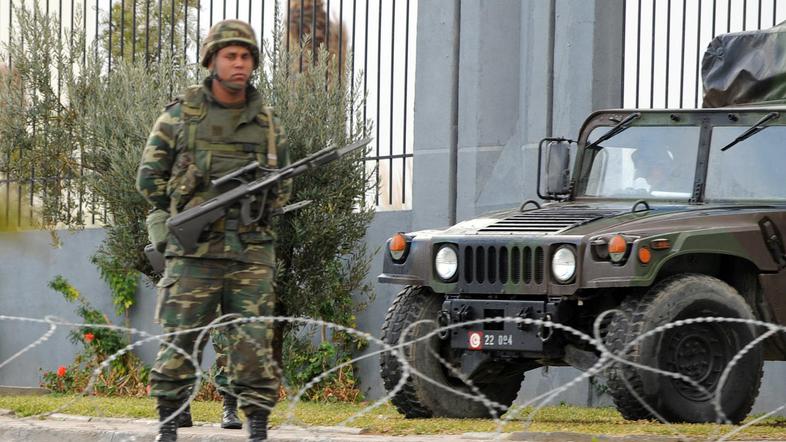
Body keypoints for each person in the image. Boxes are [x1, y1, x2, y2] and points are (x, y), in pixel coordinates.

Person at [136, 19, 291, 442]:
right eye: (230, 55)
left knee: (253, 344)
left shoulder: (267, 124)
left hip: (250, 252)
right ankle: (169, 424)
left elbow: (283, 186)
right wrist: (192, 200)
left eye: (246, 56)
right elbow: (148, 181)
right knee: (180, 339)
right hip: (194, 252)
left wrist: (255, 201)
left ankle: (256, 424)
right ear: (212, 61)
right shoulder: (179, 116)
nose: (239, 63)